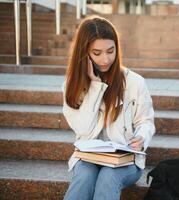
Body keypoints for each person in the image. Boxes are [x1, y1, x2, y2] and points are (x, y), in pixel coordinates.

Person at [62, 15, 156, 200]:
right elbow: (83, 129)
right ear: (84, 53)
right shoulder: (72, 85)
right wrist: (95, 87)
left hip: (125, 159)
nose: (105, 59)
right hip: (88, 157)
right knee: (84, 177)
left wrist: (141, 137)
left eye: (110, 51)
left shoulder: (134, 82)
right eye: (97, 53)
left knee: (108, 176)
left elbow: (146, 121)